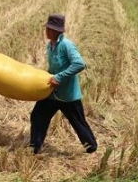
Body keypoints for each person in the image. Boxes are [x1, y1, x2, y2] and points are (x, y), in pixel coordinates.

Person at [29, 14, 97, 154]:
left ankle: (91, 147)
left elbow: (79, 64)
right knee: (37, 115)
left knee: (78, 122)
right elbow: (53, 68)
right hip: (52, 93)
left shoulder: (66, 45)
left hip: (68, 95)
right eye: (47, 28)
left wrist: (59, 77)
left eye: (51, 29)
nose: (47, 32)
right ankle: (34, 147)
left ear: (58, 31)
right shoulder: (50, 46)